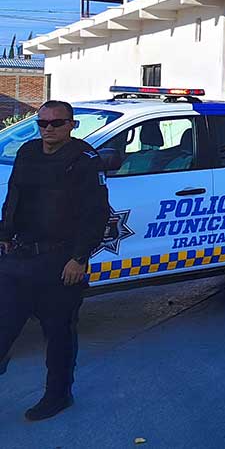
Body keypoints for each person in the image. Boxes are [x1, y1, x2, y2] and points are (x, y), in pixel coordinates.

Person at [0, 101, 109, 421]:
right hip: (19, 257)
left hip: (60, 261)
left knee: (58, 333)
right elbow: (13, 196)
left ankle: (58, 394)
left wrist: (79, 258)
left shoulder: (85, 159)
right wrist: (4, 235)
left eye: (57, 123)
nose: (48, 129)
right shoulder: (28, 152)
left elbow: (96, 213)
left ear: (72, 125)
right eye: (43, 123)